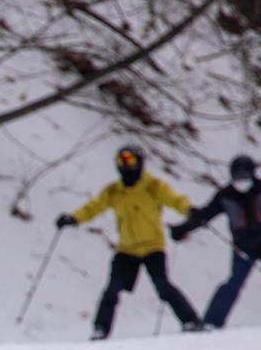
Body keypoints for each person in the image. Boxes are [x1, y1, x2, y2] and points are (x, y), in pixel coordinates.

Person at [57, 145, 202, 339]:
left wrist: (189, 210)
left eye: (130, 161)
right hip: (127, 249)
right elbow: (93, 207)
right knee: (112, 290)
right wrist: (73, 218)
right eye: (121, 162)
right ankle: (101, 329)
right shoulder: (114, 191)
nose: (126, 166)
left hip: (153, 247)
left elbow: (174, 199)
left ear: (140, 163)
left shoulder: (153, 186)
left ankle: (191, 321)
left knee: (163, 287)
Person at [169, 154, 261, 328]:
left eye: (245, 177)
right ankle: (212, 321)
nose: (242, 182)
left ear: (253, 175)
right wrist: (183, 228)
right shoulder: (225, 196)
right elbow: (205, 215)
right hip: (244, 247)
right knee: (234, 281)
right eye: (238, 178)